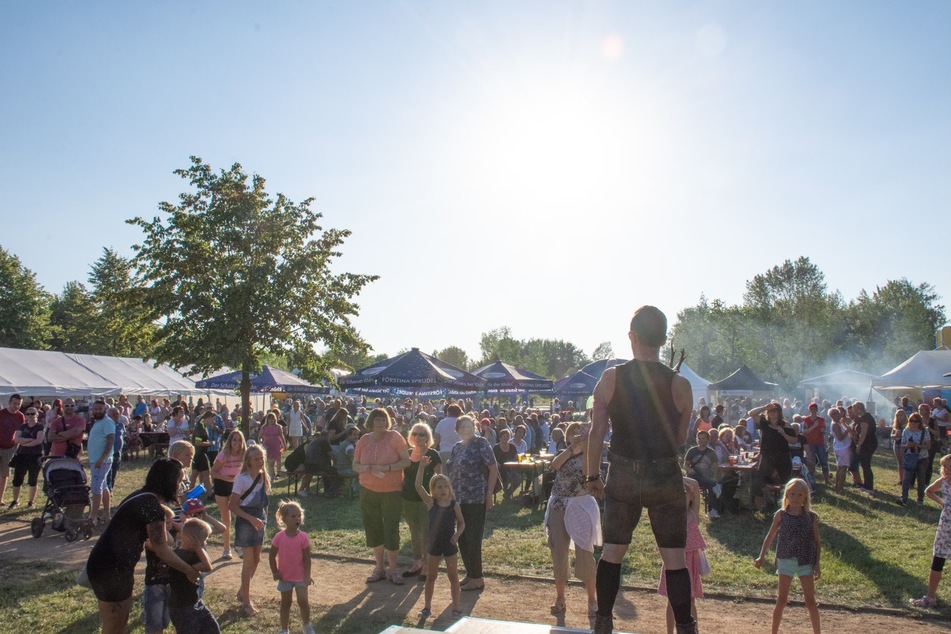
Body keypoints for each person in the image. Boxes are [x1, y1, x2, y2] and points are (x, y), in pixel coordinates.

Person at [585, 305, 696, 634]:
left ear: (632, 336)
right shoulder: (680, 384)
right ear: (663, 340)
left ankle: (603, 622)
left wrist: (591, 476)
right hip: (664, 474)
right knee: (674, 560)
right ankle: (687, 627)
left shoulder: (611, 378)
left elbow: (595, 432)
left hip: (623, 472)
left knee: (613, 552)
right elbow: (679, 439)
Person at [85, 458, 201, 634]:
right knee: (115, 628)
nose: (180, 486)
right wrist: (188, 569)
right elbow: (161, 548)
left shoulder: (141, 496)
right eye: (179, 480)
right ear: (169, 481)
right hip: (112, 570)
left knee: (116, 626)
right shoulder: (151, 506)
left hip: (106, 566)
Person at [753, 478, 822, 634]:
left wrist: (817, 564)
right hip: (785, 559)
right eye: (792, 494)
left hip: (805, 561)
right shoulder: (781, 515)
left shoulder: (811, 517)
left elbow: (817, 542)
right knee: (781, 600)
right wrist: (761, 557)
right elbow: (770, 537)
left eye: (799, 495)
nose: (795, 498)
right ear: (786, 496)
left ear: (805, 497)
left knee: (810, 602)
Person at [352, 407, 411, 585]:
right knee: (373, 528)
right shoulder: (363, 440)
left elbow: (406, 461)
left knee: (391, 529)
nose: (381, 422)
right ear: (371, 421)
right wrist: (366, 468)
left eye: (383, 419)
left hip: (391, 491)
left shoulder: (395, 437)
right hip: (368, 490)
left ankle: (393, 570)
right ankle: (379, 568)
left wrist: (387, 468)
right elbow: (355, 464)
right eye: (377, 419)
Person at [546, 422, 598, 617]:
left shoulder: (591, 454)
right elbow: (555, 465)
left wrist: (585, 449)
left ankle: (592, 601)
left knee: (585, 552)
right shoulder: (563, 451)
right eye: (574, 434)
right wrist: (571, 449)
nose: (577, 437)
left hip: (581, 506)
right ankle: (560, 598)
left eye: (581, 434)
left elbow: (589, 475)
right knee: (558, 552)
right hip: (558, 505)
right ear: (567, 437)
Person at [447, 414, 500, 592]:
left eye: (469, 426)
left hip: (476, 497)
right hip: (458, 498)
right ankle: (470, 573)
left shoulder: (481, 443)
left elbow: (493, 468)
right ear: (457, 430)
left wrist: (489, 494)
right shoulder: (457, 447)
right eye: (462, 427)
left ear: (475, 427)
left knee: (473, 537)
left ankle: (477, 577)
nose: (466, 429)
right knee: (461, 536)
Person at [415, 458, 465, 620]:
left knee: (453, 576)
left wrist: (457, 535)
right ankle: (427, 607)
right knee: (431, 577)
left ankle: (456, 607)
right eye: (439, 487)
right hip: (434, 545)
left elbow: (462, 523)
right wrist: (421, 467)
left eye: (445, 486)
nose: (442, 490)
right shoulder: (431, 503)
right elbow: (417, 486)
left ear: (449, 489)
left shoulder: (454, 505)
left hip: (449, 545)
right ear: (433, 490)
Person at [658, 478, 706, 634]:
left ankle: (695, 630)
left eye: (684, 493)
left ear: (691, 498)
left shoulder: (693, 515)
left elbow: (695, 485)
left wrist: (679, 476)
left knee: (691, 601)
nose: (681, 496)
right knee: (672, 602)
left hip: (690, 564)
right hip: (673, 562)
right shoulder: (669, 518)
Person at [230, 444, 271, 616]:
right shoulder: (243, 479)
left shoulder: (264, 477)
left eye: (261, 458)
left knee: (256, 560)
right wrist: (251, 519)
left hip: (259, 520)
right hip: (246, 521)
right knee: (248, 563)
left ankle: (242, 592)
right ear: (248, 461)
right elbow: (232, 505)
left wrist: (263, 522)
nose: (260, 461)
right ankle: (246, 601)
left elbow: (265, 502)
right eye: (256, 458)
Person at [401, 422, 442, 580]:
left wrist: (435, 499)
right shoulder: (408, 453)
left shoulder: (433, 454)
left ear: (427, 437)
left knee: (426, 534)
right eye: (415, 434)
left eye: (422, 434)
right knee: (413, 532)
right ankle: (416, 563)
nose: (418, 437)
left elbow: (439, 477)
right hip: (408, 498)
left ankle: (426, 566)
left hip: (426, 500)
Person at [269, 500, 317, 634]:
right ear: (284, 519)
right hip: (285, 577)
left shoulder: (303, 537)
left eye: (299, 516)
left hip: (300, 577)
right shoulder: (279, 537)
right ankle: (284, 629)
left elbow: (307, 559)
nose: (297, 519)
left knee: (303, 601)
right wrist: (275, 571)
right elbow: (271, 556)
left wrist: (307, 576)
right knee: (286, 603)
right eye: (293, 516)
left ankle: (307, 625)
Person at [911, 454, 951, 608]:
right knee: (937, 561)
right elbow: (929, 491)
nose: (946, 469)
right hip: (945, 527)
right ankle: (930, 597)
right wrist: (943, 503)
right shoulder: (943, 482)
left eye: (949, 467)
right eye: (944, 466)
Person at [167, 517, 219, 634]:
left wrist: (198, 548)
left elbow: (208, 562)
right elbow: (207, 566)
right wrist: (199, 548)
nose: (205, 543)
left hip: (195, 603)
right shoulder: (184, 556)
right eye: (204, 540)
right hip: (183, 608)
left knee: (212, 628)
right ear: (193, 541)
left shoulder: (187, 554)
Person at [749, 402, 797, 504]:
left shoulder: (786, 425)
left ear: (779, 412)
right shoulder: (764, 423)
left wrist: (783, 434)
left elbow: (794, 441)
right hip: (767, 458)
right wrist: (764, 407)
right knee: (760, 482)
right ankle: (763, 505)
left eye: (775, 411)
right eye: (770, 411)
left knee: (786, 483)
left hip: (783, 458)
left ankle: (786, 505)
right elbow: (751, 413)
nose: (772, 413)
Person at [211, 429, 247, 560]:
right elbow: (213, 472)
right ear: (230, 441)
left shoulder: (244, 455)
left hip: (237, 488)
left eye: (239, 440)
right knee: (226, 518)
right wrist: (226, 478)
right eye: (234, 440)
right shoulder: (223, 455)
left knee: (240, 517)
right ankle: (227, 549)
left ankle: (240, 545)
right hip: (222, 486)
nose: (236, 443)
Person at [141, 505, 176, 634]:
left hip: (169, 583)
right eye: (167, 523)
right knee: (155, 623)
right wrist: (160, 526)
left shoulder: (171, 533)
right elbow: (169, 542)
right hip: (154, 583)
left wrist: (169, 523)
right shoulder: (150, 540)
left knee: (165, 620)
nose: (170, 526)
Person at [8, 405, 44, 508]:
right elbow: (16, 440)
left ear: (36, 414)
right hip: (22, 454)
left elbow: (39, 441)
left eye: (32, 413)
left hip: (35, 455)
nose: (30, 415)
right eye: (28, 414)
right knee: (17, 479)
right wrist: (29, 441)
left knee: (33, 479)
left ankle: (31, 501)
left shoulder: (40, 426)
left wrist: (24, 441)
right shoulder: (22, 426)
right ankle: (15, 500)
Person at [88, 403, 116, 526]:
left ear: (105, 409)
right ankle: (106, 514)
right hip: (95, 459)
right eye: (95, 409)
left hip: (101, 460)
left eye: (100, 409)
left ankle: (93, 516)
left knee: (96, 488)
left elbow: (110, 440)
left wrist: (102, 458)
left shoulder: (107, 422)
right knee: (103, 486)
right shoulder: (97, 422)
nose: (97, 411)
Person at [683, 430, 721, 519]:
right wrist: (689, 470)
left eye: (703, 438)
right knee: (712, 485)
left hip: (706, 476)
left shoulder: (711, 452)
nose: (701, 440)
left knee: (711, 484)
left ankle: (712, 511)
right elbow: (685, 465)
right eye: (699, 438)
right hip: (693, 475)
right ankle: (715, 486)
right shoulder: (692, 451)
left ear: (708, 439)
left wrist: (715, 477)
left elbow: (715, 467)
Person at [899, 413, 931, 507]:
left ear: (919, 422)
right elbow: (902, 444)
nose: (913, 423)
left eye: (915, 421)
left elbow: (929, 446)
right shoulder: (906, 431)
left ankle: (920, 499)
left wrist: (917, 445)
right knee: (906, 479)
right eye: (911, 421)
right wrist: (907, 445)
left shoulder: (924, 431)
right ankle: (903, 498)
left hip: (922, 458)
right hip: (909, 457)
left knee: (921, 479)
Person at [0, 394, 25, 506]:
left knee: (4, 474)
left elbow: (21, 432)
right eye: (14, 403)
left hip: (10, 447)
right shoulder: (1, 413)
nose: (16, 406)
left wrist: (16, 445)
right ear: (9, 402)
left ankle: (0, 498)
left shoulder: (20, 416)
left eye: (19, 404)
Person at [850, 401, 878, 492]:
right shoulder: (862, 417)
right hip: (867, 444)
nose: (853, 411)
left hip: (868, 444)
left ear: (858, 409)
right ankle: (866, 485)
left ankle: (869, 487)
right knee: (864, 465)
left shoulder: (865, 418)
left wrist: (859, 445)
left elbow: (864, 433)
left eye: (854, 409)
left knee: (866, 465)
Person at [802, 403, 830, 485]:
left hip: (820, 443)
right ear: (809, 410)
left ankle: (826, 479)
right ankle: (812, 479)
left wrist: (823, 430)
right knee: (811, 461)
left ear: (817, 410)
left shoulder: (821, 419)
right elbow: (805, 432)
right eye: (811, 409)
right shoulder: (806, 420)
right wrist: (814, 426)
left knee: (824, 461)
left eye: (814, 409)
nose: (813, 411)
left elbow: (824, 429)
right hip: (810, 443)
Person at [493, 428, 519, 501]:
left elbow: (515, 458)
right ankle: (506, 494)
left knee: (517, 480)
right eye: (504, 436)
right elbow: (494, 460)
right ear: (500, 437)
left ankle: (507, 493)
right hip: (500, 469)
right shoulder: (496, 447)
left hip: (511, 468)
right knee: (507, 477)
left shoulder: (512, 447)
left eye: (507, 436)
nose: (506, 438)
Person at [258, 412, 286, 479]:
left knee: (277, 460)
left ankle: (277, 474)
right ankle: (272, 475)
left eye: (272, 419)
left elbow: (281, 437)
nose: (271, 420)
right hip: (267, 446)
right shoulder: (264, 427)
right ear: (267, 420)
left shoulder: (278, 427)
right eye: (269, 419)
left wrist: (284, 445)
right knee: (270, 463)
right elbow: (259, 437)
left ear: (275, 419)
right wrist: (261, 444)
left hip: (276, 446)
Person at [830, 407, 852, 494]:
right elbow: (840, 437)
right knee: (843, 468)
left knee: (840, 468)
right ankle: (840, 488)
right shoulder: (835, 424)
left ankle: (837, 486)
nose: (840, 415)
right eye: (838, 413)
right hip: (842, 448)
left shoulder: (838, 423)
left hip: (841, 447)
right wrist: (847, 430)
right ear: (834, 415)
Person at [891, 409, 910, 487]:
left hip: (904, 445)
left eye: (901, 415)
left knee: (905, 462)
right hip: (897, 444)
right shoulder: (896, 425)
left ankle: (906, 480)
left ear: (904, 416)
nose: (899, 417)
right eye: (898, 415)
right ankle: (901, 480)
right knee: (900, 463)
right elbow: (891, 435)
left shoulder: (908, 424)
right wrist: (895, 435)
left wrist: (901, 434)